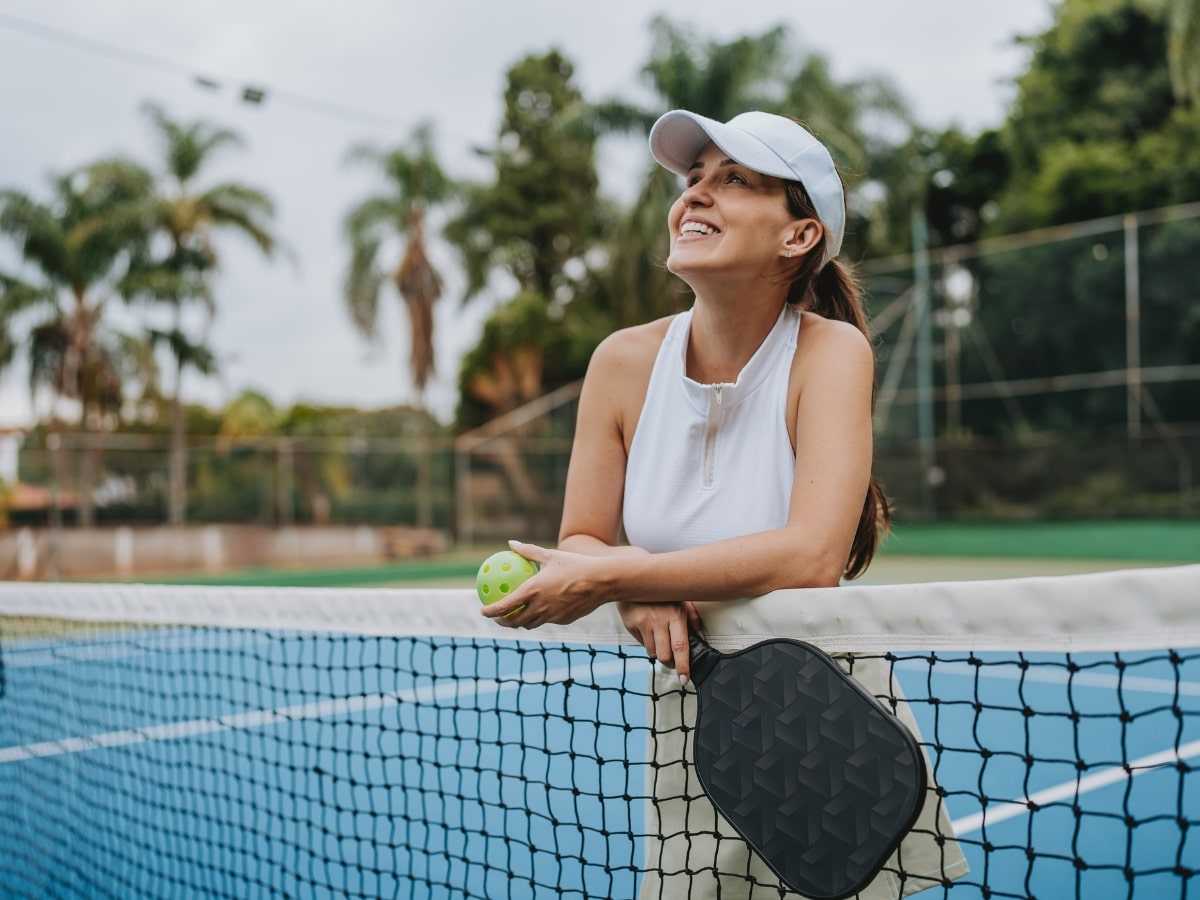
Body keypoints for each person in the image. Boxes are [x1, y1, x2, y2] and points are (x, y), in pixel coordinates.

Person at [481, 110, 968, 898]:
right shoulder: (621, 362)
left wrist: (623, 577)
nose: (696, 196)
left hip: (827, 699)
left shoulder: (832, 352)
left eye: (733, 179)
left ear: (798, 236)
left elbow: (809, 555)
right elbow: (582, 535)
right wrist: (638, 593)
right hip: (691, 701)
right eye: (692, 180)